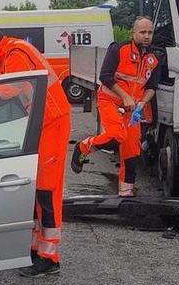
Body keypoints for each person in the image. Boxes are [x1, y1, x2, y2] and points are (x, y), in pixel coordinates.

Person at [0, 23, 72, 278]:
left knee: (47, 189)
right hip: (43, 122)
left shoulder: (16, 53)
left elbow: (6, 90)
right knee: (37, 188)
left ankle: (50, 257)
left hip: (52, 121)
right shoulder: (10, 53)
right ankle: (36, 250)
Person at [69, 16, 163, 197]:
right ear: (133, 33)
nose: (146, 36)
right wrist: (125, 96)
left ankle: (126, 191)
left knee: (132, 149)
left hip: (133, 109)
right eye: (142, 32)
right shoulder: (118, 50)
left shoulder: (155, 58)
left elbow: (152, 87)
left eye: (150, 32)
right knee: (115, 135)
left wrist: (142, 103)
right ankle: (83, 147)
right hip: (109, 100)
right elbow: (105, 76)